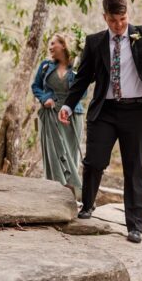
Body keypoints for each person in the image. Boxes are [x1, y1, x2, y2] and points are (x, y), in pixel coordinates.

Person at [59, 0, 142, 243]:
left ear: (128, 14)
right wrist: (68, 105)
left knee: (134, 168)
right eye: (114, 20)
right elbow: (83, 78)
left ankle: (135, 226)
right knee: (94, 161)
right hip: (104, 110)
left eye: (123, 19)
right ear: (105, 17)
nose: (119, 25)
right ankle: (88, 204)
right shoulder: (94, 42)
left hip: (137, 112)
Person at [32, 33, 84, 201]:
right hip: (50, 114)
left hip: (72, 114)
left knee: (69, 154)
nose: (50, 47)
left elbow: (83, 91)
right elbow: (36, 86)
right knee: (53, 154)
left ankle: (71, 197)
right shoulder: (46, 66)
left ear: (63, 45)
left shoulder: (76, 66)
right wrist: (44, 98)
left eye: (53, 43)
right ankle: (54, 195)